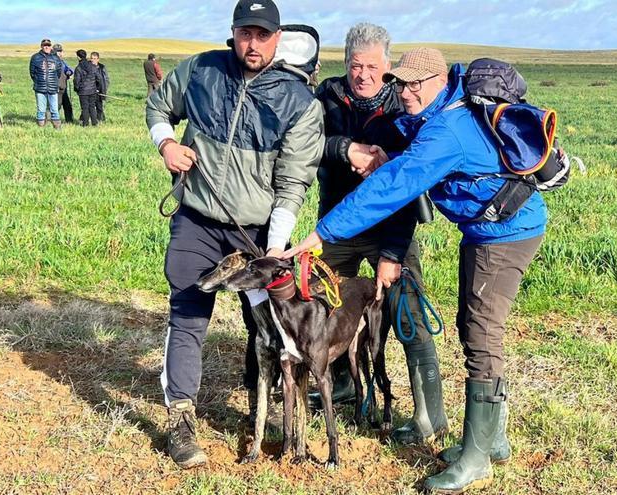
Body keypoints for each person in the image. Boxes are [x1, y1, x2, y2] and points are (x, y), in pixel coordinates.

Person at [284, 47, 546, 494]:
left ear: (439, 81)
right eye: (400, 83)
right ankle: (492, 439)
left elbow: (394, 186)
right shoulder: (443, 113)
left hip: (506, 235)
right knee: (473, 328)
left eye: (412, 84)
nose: (403, 92)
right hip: (487, 232)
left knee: (481, 337)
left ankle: (477, 457)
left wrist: (324, 231)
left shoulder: (448, 129)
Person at [145, 0, 324, 470]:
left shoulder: (299, 102)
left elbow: (293, 182)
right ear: (233, 32)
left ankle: (263, 410)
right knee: (187, 309)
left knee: (268, 324)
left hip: (257, 232)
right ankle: (181, 418)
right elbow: (159, 104)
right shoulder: (201, 70)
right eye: (246, 33)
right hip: (197, 218)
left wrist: (275, 247)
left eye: (263, 35)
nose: (253, 43)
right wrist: (166, 143)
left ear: (277, 38)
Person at [312, 23, 447, 446]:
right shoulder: (327, 97)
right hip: (337, 223)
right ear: (345, 64)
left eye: (373, 66)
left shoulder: (403, 102)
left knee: (408, 313)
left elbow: (410, 182)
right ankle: (342, 382)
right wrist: (344, 149)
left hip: (392, 227)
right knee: (325, 303)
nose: (364, 74)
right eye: (356, 65)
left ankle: (430, 413)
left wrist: (392, 251)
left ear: (388, 67)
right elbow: (304, 142)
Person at [29, 38, 62, 128]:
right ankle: (41, 127)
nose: (46, 47)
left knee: (54, 109)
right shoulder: (35, 57)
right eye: (45, 45)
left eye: (48, 45)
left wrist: (53, 81)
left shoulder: (56, 58)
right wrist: (38, 81)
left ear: (51, 47)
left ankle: (57, 127)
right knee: (41, 109)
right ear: (41, 46)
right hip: (40, 88)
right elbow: (32, 73)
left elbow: (58, 73)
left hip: (53, 87)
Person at [74, 49, 103, 127]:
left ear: (78, 57)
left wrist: (77, 89)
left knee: (85, 108)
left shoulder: (78, 68)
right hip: (93, 90)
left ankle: (85, 124)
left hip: (83, 91)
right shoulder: (93, 66)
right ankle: (94, 123)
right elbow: (99, 78)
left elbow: (76, 81)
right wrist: (97, 88)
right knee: (92, 107)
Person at [53, 44, 74, 124]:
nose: (60, 53)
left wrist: (69, 72)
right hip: (56, 88)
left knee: (68, 106)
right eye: (58, 51)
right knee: (56, 106)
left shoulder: (62, 62)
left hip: (63, 88)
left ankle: (70, 122)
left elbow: (69, 70)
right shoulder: (52, 62)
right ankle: (51, 121)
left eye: (61, 51)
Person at [90, 52, 109, 122]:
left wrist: (104, 89)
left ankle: (100, 120)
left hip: (99, 91)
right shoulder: (88, 66)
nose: (93, 60)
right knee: (88, 107)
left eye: (94, 58)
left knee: (99, 107)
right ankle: (84, 120)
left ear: (98, 59)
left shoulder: (102, 67)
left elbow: (106, 79)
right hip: (90, 90)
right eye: (91, 58)